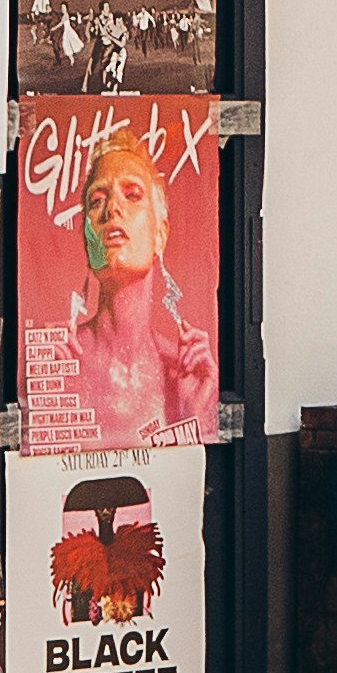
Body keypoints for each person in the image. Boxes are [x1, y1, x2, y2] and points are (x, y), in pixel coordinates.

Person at [42, 123, 220, 446]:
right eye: (97, 200)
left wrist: (195, 415)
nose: (113, 209)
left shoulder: (180, 372)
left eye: (132, 194)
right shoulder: (59, 363)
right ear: (87, 236)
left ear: (160, 234)